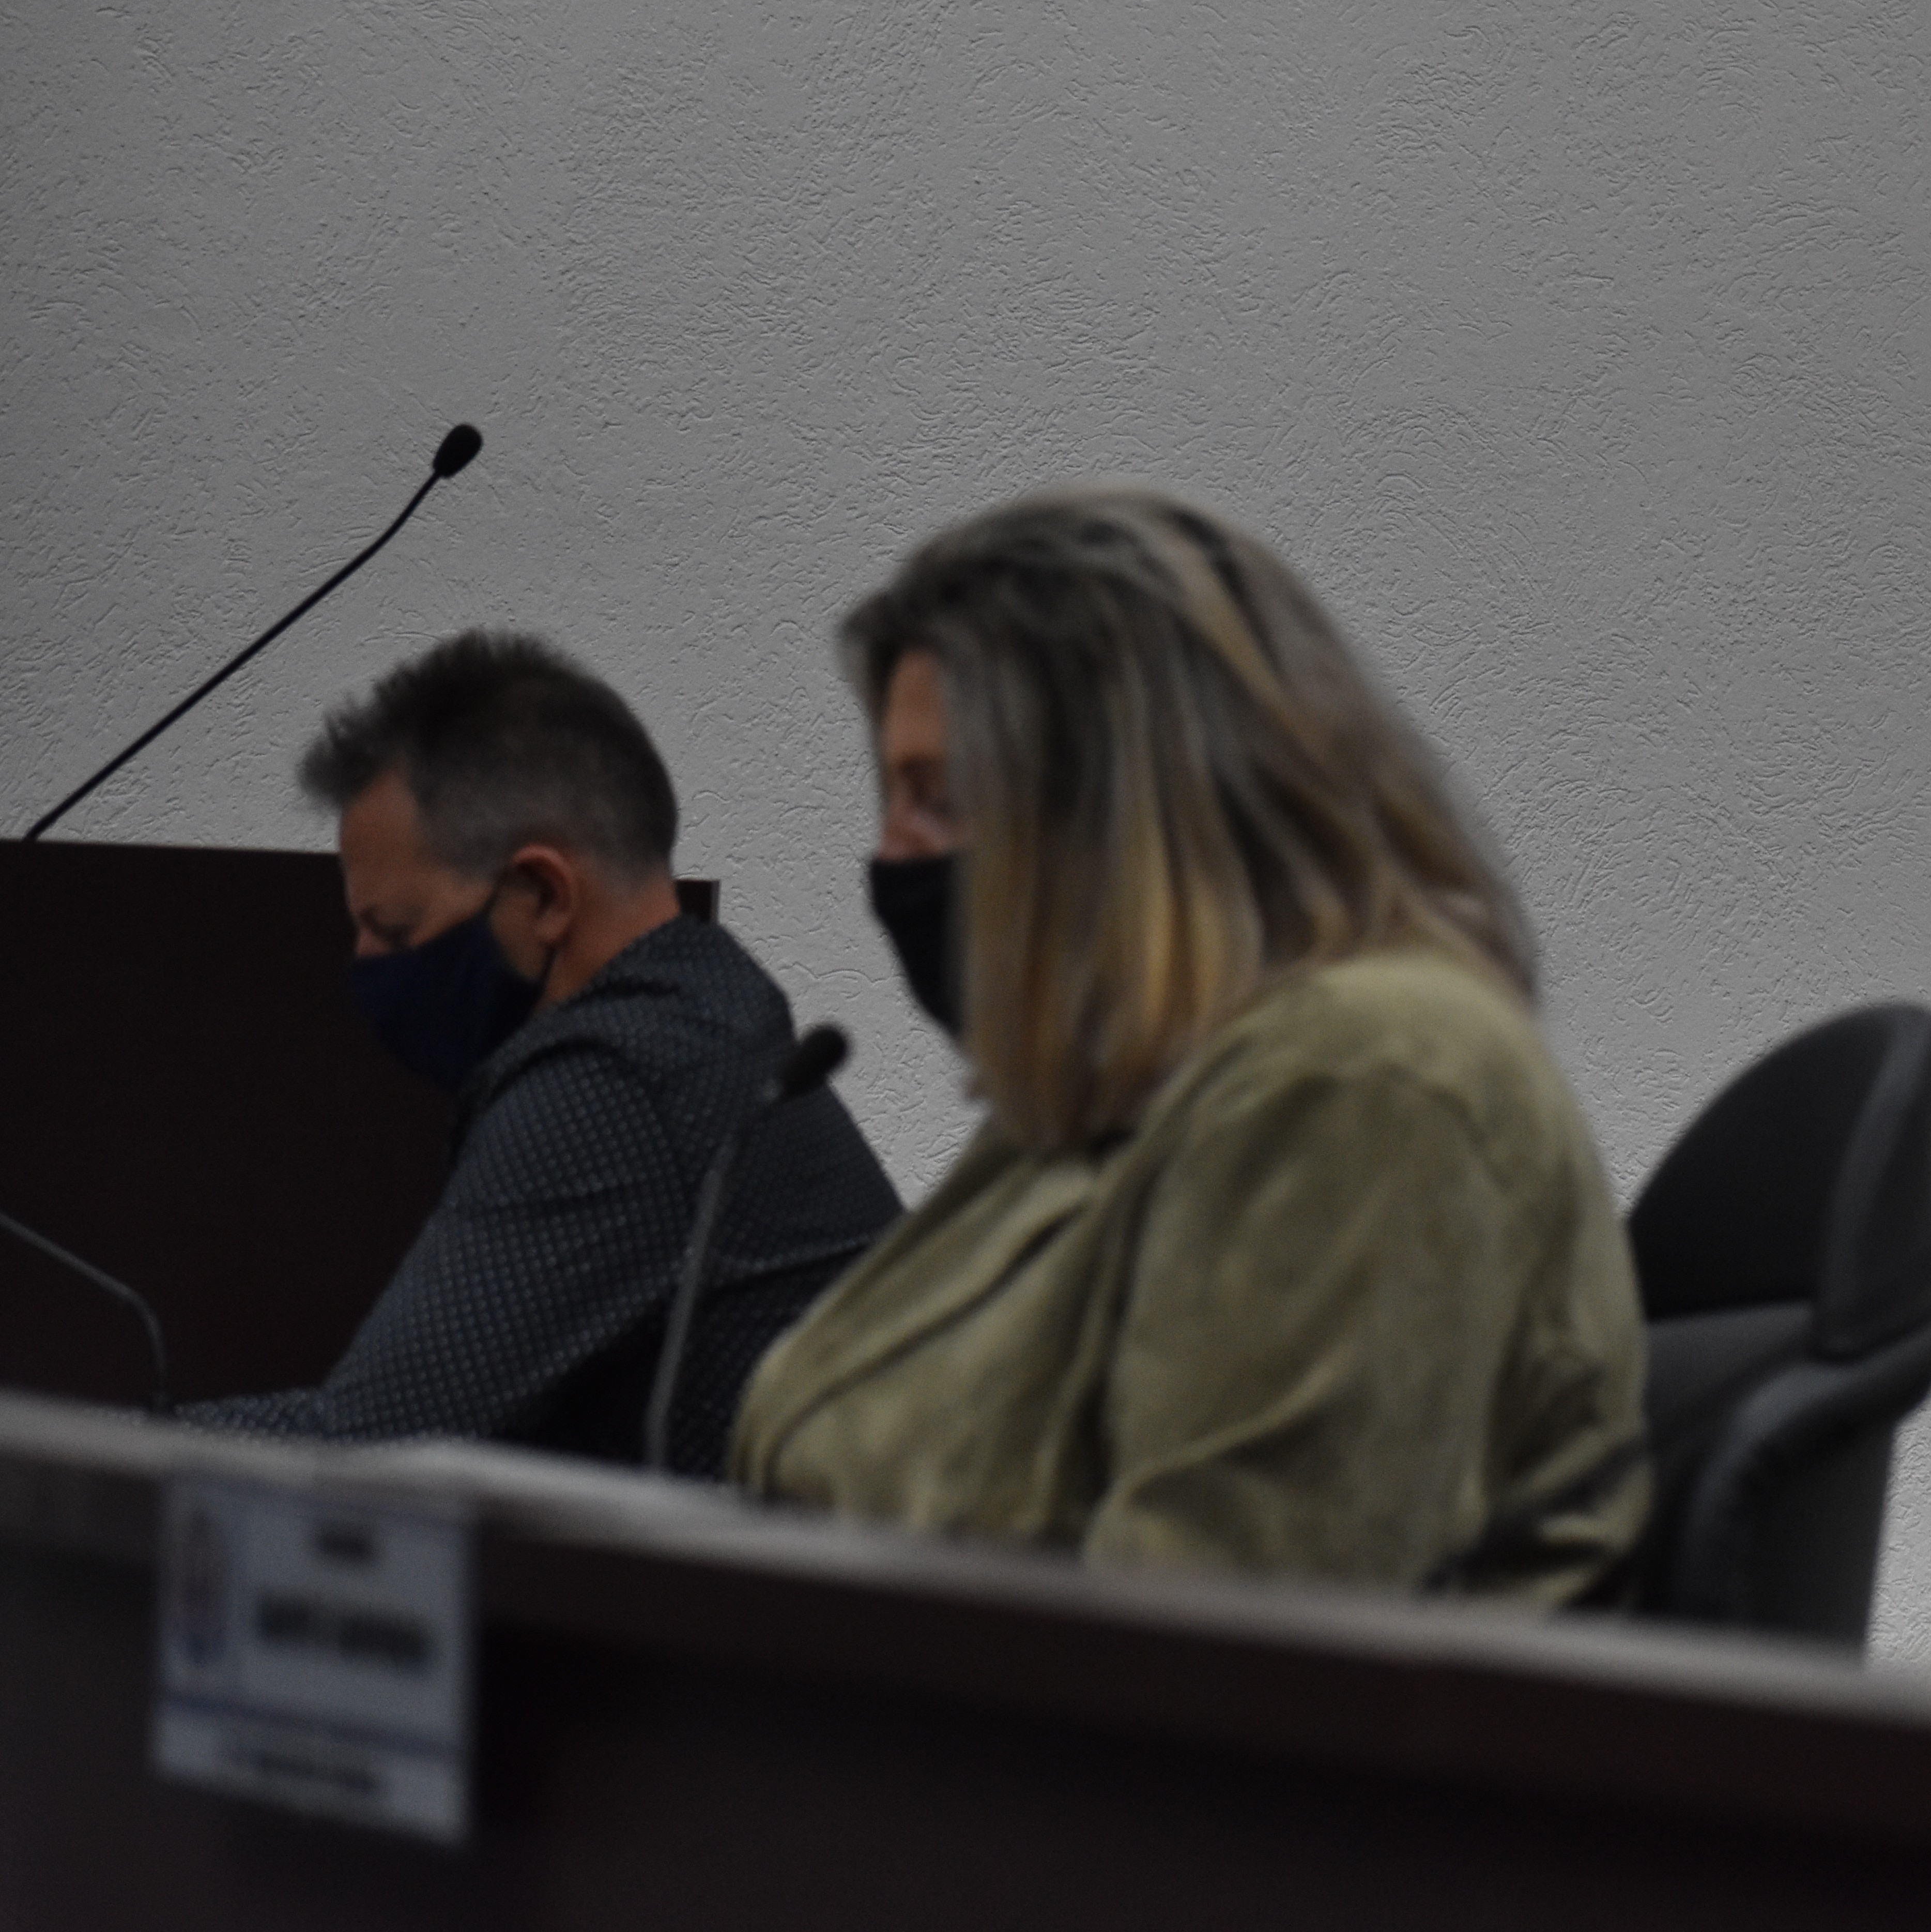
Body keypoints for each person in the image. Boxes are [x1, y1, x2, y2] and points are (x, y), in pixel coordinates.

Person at [731, 489, 1648, 1603]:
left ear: (1130, 803)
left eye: (939, 796)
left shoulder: (1359, 1081)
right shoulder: (1110, 1098)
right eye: (890, 795)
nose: (892, 853)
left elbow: (1213, 1658)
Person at [185, 633, 899, 1477]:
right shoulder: (707, 1009)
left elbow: (373, 1453)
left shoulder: (616, 1080)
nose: (365, 966)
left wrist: (84, 1442)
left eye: (396, 931)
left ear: (545, 895)